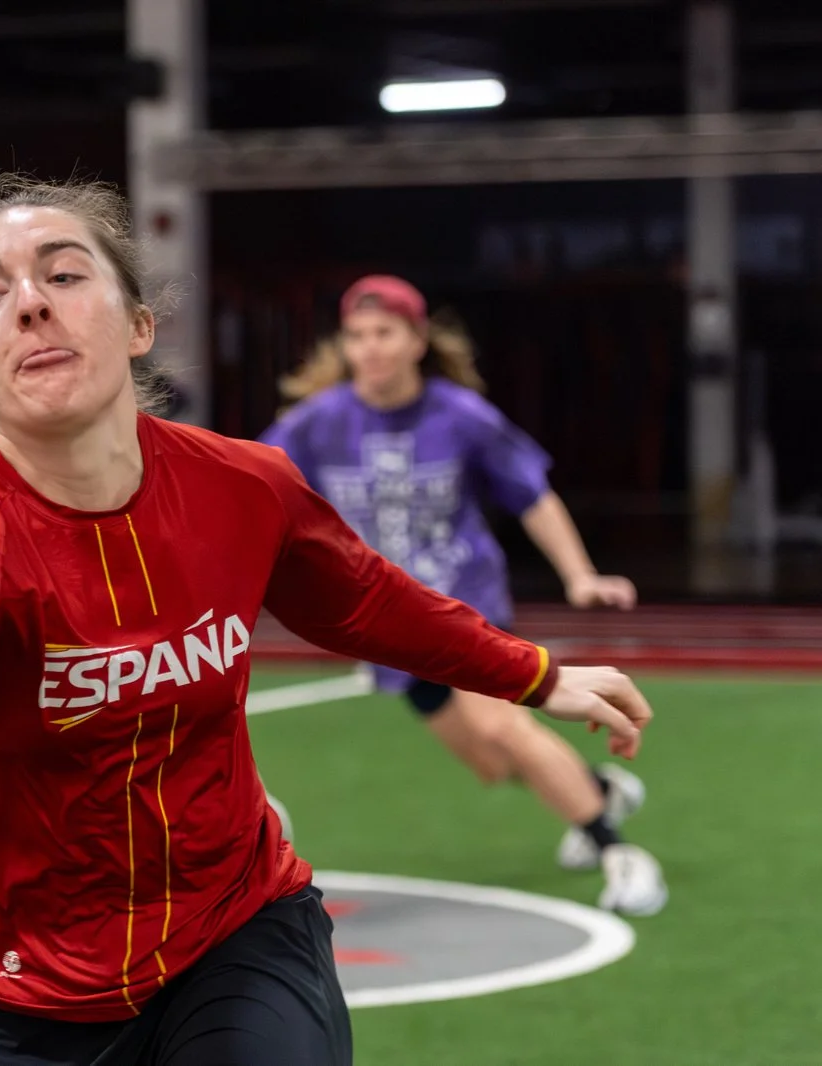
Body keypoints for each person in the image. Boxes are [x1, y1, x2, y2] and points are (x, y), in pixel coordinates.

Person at [0, 174, 655, 1066]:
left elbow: (362, 596)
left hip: (239, 932)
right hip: (37, 991)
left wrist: (534, 673)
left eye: (64, 274)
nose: (28, 300)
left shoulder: (246, 486)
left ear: (140, 324)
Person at [256, 274, 667, 918]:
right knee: (491, 762)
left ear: (418, 340)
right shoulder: (314, 424)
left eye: (385, 333)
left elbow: (532, 494)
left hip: (465, 604)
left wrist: (579, 575)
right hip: (385, 622)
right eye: (358, 336)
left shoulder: (461, 416)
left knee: (499, 721)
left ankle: (619, 852)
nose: (370, 348)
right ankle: (598, 789)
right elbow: (247, 494)